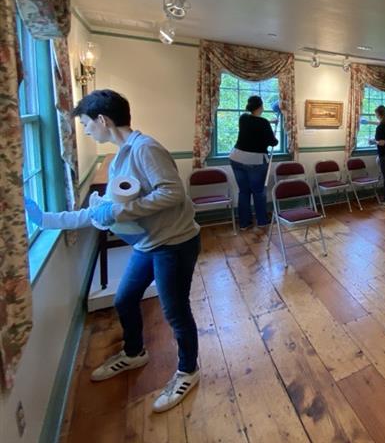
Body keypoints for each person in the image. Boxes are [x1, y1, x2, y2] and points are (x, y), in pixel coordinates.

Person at [24, 90, 201, 413]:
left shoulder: (146, 149)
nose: (86, 131)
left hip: (174, 243)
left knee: (175, 311)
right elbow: (101, 211)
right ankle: (134, 353)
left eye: (86, 124)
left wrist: (120, 211)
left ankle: (188, 371)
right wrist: (48, 220)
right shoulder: (120, 156)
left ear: (103, 120)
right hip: (149, 243)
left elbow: (173, 193)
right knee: (125, 298)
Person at [229, 95, 279, 230]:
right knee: (258, 191)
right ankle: (262, 221)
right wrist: (271, 127)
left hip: (236, 158)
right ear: (261, 107)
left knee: (244, 192)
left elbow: (254, 125)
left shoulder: (243, 118)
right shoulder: (263, 123)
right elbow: (273, 142)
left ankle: (244, 223)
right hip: (254, 161)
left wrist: (269, 123)